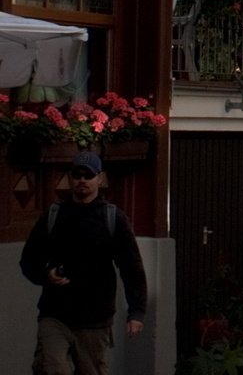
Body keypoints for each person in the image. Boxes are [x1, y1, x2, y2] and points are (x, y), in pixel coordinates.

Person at [19, 151, 147, 375]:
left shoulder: (112, 218)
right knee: (53, 368)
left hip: (94, 319)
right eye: (77, 175)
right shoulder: (54, 215)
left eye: (88, 175)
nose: (82, 180)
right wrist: (46, 274)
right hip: (55, 314)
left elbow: (131, 267)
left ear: (99, 178)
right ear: (70, 178)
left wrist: (136, 311)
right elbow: (28, 260)